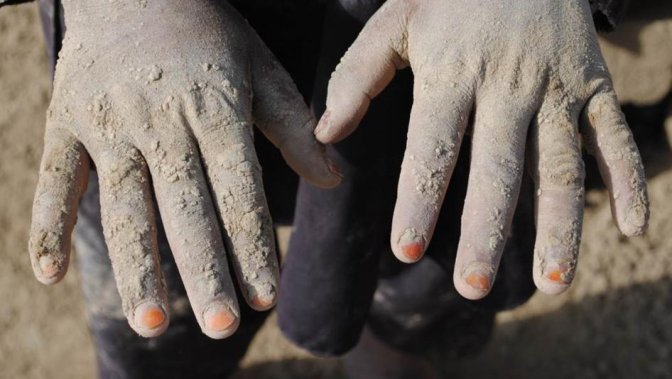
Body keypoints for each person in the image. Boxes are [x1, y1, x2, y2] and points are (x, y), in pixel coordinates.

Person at [0, 0, 648, 378]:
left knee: (434, 250)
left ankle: (400, 345)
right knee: (168, 288)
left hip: (472, 35)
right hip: (148, 53)